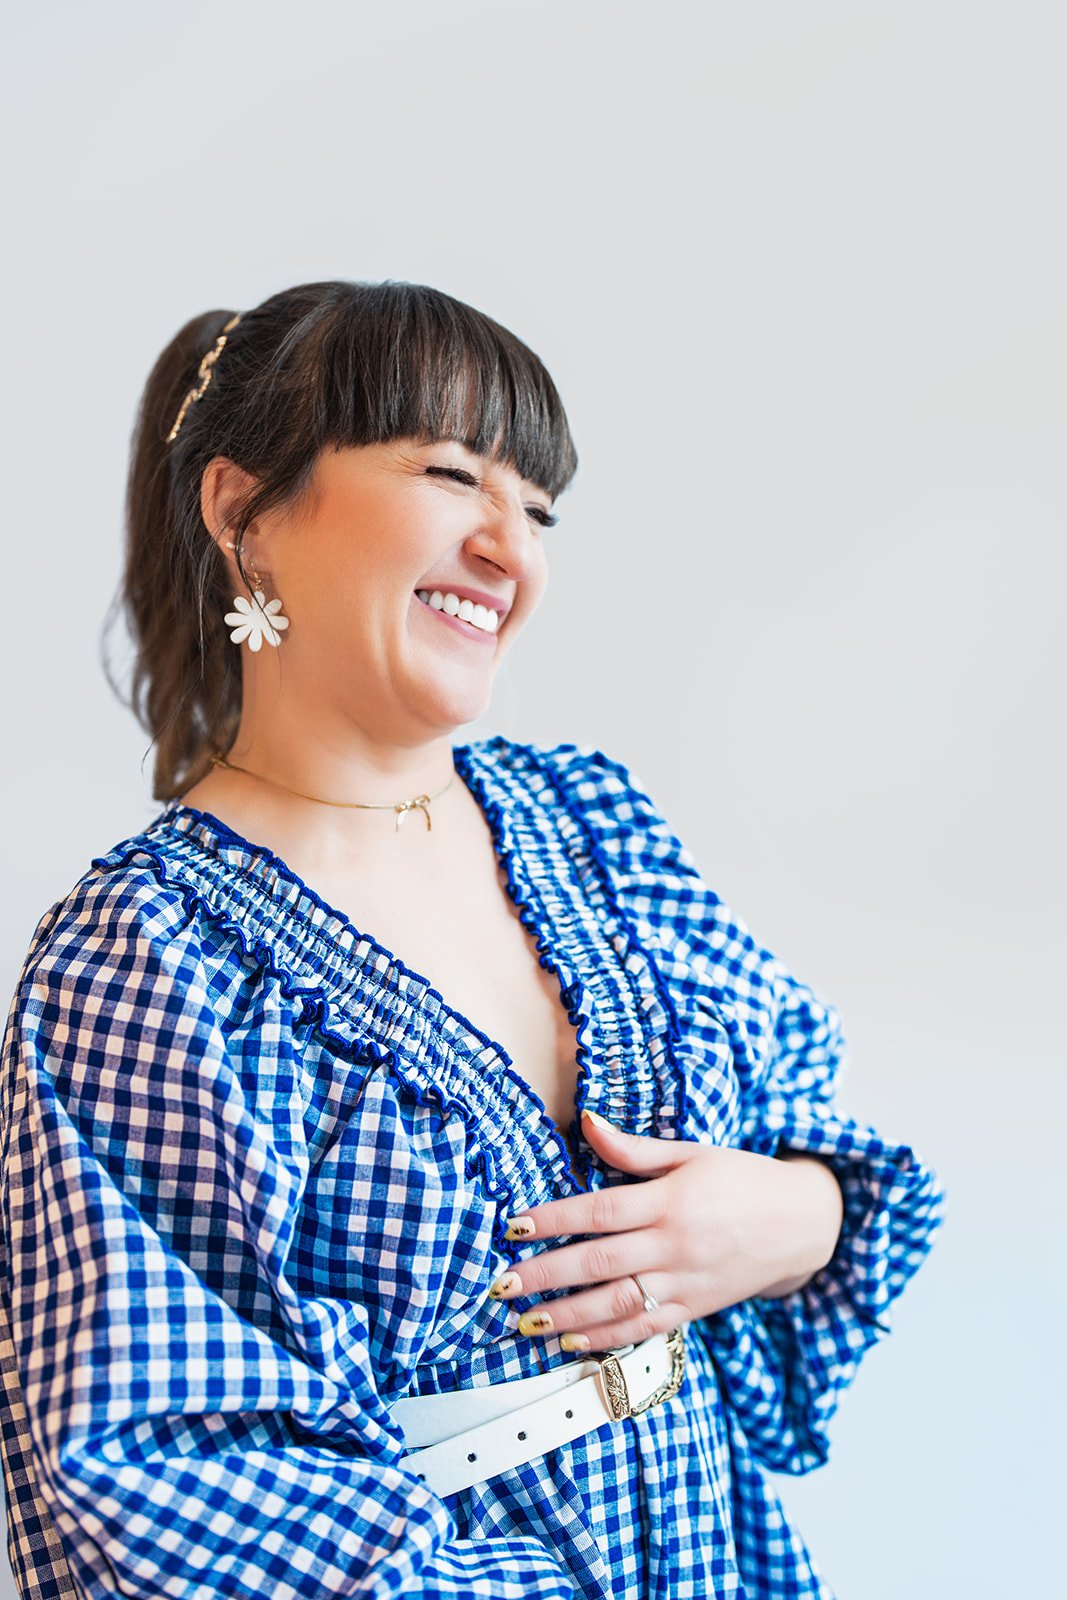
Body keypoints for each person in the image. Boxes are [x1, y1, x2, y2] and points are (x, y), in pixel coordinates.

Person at [0, 278, 946, 1600]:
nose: (515, 550)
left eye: (542, 507)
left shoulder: (590, 822)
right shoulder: (144, 958)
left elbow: (814, 1139)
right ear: (243, 514)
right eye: (454, 475)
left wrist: (798, 1214)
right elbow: (166, 1491)